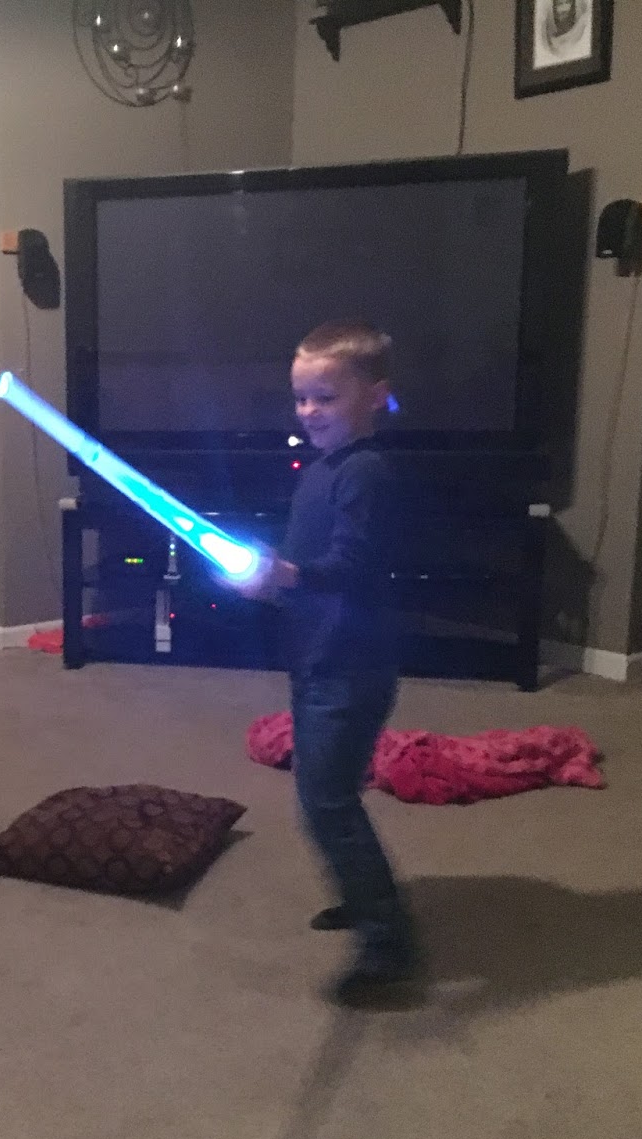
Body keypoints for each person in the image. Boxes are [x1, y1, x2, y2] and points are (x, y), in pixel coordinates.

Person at [232, 320, 421, 1007]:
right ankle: (363, 893)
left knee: (327, 802)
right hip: (319, 659)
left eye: (326, 398)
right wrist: (273, 583)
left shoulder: (366, 472)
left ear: (375, 396)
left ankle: (386, 942)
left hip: (350, 667)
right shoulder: (323, 468)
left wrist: (287, 575)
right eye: (301, 398)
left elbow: (351, 566)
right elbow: (308, 566)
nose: (309, 411)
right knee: (328, 794)